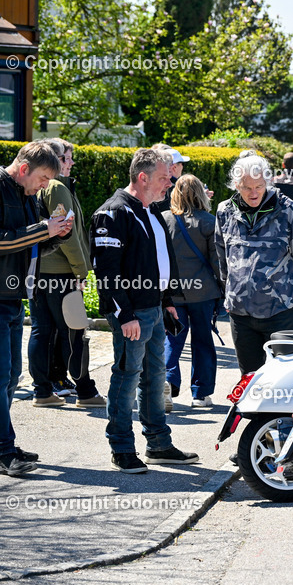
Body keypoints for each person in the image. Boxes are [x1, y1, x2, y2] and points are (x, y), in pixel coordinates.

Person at [90, 148, 198, 474]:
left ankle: (159, 444)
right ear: (143, 177)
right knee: (126, 378)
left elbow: (159, 263)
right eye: (165, 178)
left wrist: (168, 303)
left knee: (154, 378)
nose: (170, 183)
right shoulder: (113, 214)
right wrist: (124, 315)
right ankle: (121, 447)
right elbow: (106, 272)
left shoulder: (150, 212)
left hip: (152, 309)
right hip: (132, 314)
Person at [0, 142, 72, 476]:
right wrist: (41, 229)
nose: (45, 185)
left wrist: (56, 234)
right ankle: (3, 451)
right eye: (44, 177)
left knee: (11, 374)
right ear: (23, 169)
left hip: (15, 293)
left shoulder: (27, 194)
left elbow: (30, 241)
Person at [215, 154, 293, 375]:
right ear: (236, 185)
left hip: (281, 310)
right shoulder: (225, 211)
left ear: (268, 182)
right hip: (241, 313)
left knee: (287, 379)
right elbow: (222, 255)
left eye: (259, 186)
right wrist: (228, 293)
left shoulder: (289, 210)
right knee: (249, 380)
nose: (253, 193)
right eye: (246, 187)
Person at [28, 138, 105, 408]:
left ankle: (43, 390)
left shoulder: (42, 186)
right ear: (53, 159)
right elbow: (68, 234)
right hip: (60, 274)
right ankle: (85, 391)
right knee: (74, 331)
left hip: (39, 273)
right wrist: (81, 271)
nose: (70, 163)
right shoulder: (57, 186)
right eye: (65, 158)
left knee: (42, 331)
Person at [162, 175, 222, 408]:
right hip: (203, 293)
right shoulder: (209, 222)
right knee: (202, 342)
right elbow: (217, 262)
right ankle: (200, 393)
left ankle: (167, 382)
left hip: (172, 293)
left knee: (172, 339)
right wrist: (224, 289)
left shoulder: (164, 220)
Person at [154, 145, 188, 213]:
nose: (182, 167)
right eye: (182, 164)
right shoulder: (175, 188)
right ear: (174, 167)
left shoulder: (154, 184)